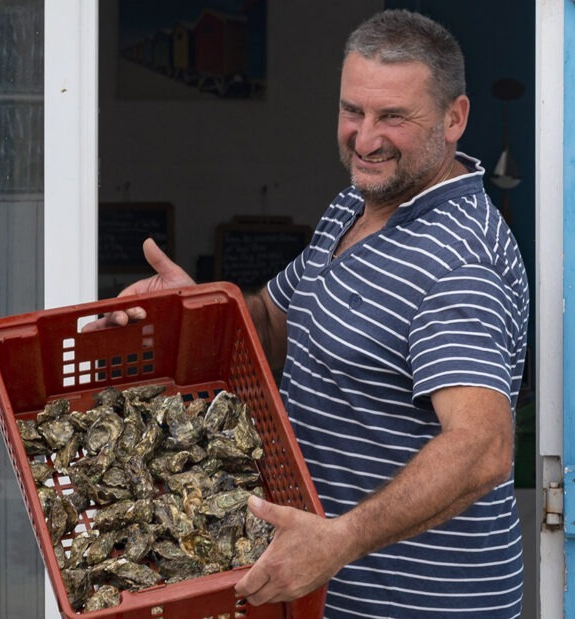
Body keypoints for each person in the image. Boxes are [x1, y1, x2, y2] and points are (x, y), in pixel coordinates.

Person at [92, 9, 528, 618]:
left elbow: (482, 447)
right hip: (324, 595)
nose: (366, 137)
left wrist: (339, 541)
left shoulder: (457, 258)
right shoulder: (358, 202)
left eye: (394, 117)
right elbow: (275, 324)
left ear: (454, 118)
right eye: (354, 111)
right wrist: (194, 305)